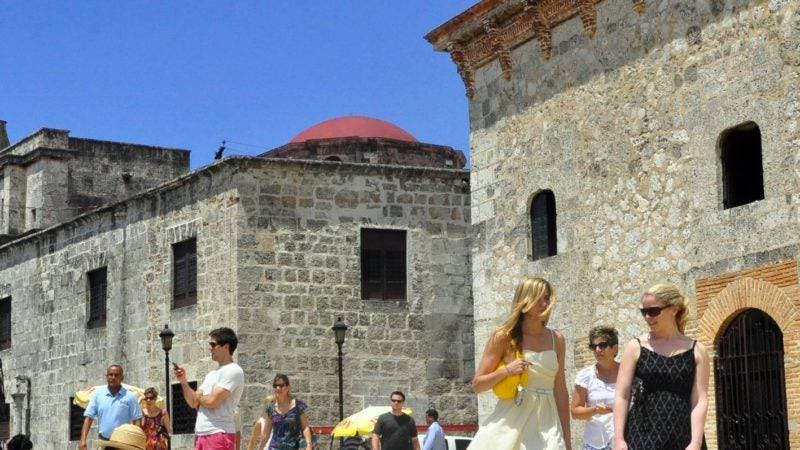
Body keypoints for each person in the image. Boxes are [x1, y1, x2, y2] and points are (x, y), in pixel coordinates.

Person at [467, 276, 571, 450]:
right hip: (511, 421)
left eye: (547, 298)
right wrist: (507, 370)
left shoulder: (557, 339)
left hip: (547, 422)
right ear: (525, 299)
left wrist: (567, 440)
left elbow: (560, 392)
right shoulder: (503, 336)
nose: (545, 303)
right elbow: (478, 385)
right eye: (539, 298)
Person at [613, 283, 710, 450]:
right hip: (641, 434)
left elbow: (699, 400)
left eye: (653, 311)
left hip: (683, 436)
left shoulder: (697, 350)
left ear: (674, 309)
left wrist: (696, 442)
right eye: (644, 312)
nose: (647, 317)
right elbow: (622, 395)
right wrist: (619, 439)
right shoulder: (635, 347)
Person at [175, 327, 245, 450]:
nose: (209, 348)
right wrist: (183, 381)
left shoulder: (234, 370)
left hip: (218, 434)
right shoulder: (211, 374)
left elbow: (212, 401)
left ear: (226, 347)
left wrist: (199, 397)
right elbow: (193, 402)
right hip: (201, 434)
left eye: (213, 344)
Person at [571, 326, 620, 450]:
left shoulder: (628, 372)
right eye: (593, 346)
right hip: (595, 444)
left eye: (602, 345)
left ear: (615, 348)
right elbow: (575, 412)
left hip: (624, 441)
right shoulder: (585, 376)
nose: (597, 350)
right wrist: (595, 410)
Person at [80, 364, 143, 450]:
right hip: (103, 442)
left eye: (116, 375)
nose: (113, 377)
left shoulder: (130, 397)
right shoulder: (98, 395)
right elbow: (89, 418)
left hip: (123, 444)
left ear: (122, 377)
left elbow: (137, 421)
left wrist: (135, 442)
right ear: (106, 376)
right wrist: (82, 440)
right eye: (110, 374)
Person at [258, 374, 313, 450]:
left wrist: (309, 444)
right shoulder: (270, 408)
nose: (278, 388)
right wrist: (260, 448)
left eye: (281, 385)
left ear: (288, 387)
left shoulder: (298, 405)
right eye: (275, 385)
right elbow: (266, 433)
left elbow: (305, 427)